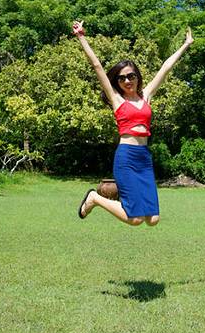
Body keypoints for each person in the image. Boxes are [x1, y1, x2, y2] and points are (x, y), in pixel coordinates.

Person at [73, 20, 193, 226]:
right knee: (135, 219)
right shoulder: (117, 100)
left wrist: (186, 44)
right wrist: (81, 36)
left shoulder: (146, 96)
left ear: (137, 76)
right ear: (117, 82)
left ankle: (99, 199)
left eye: (131, 76)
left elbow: (165, 68)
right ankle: (94, 198)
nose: (127, 81)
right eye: (122, 78)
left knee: (153, 219)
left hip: (144, 158)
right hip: (126, 157)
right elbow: (97, 66)